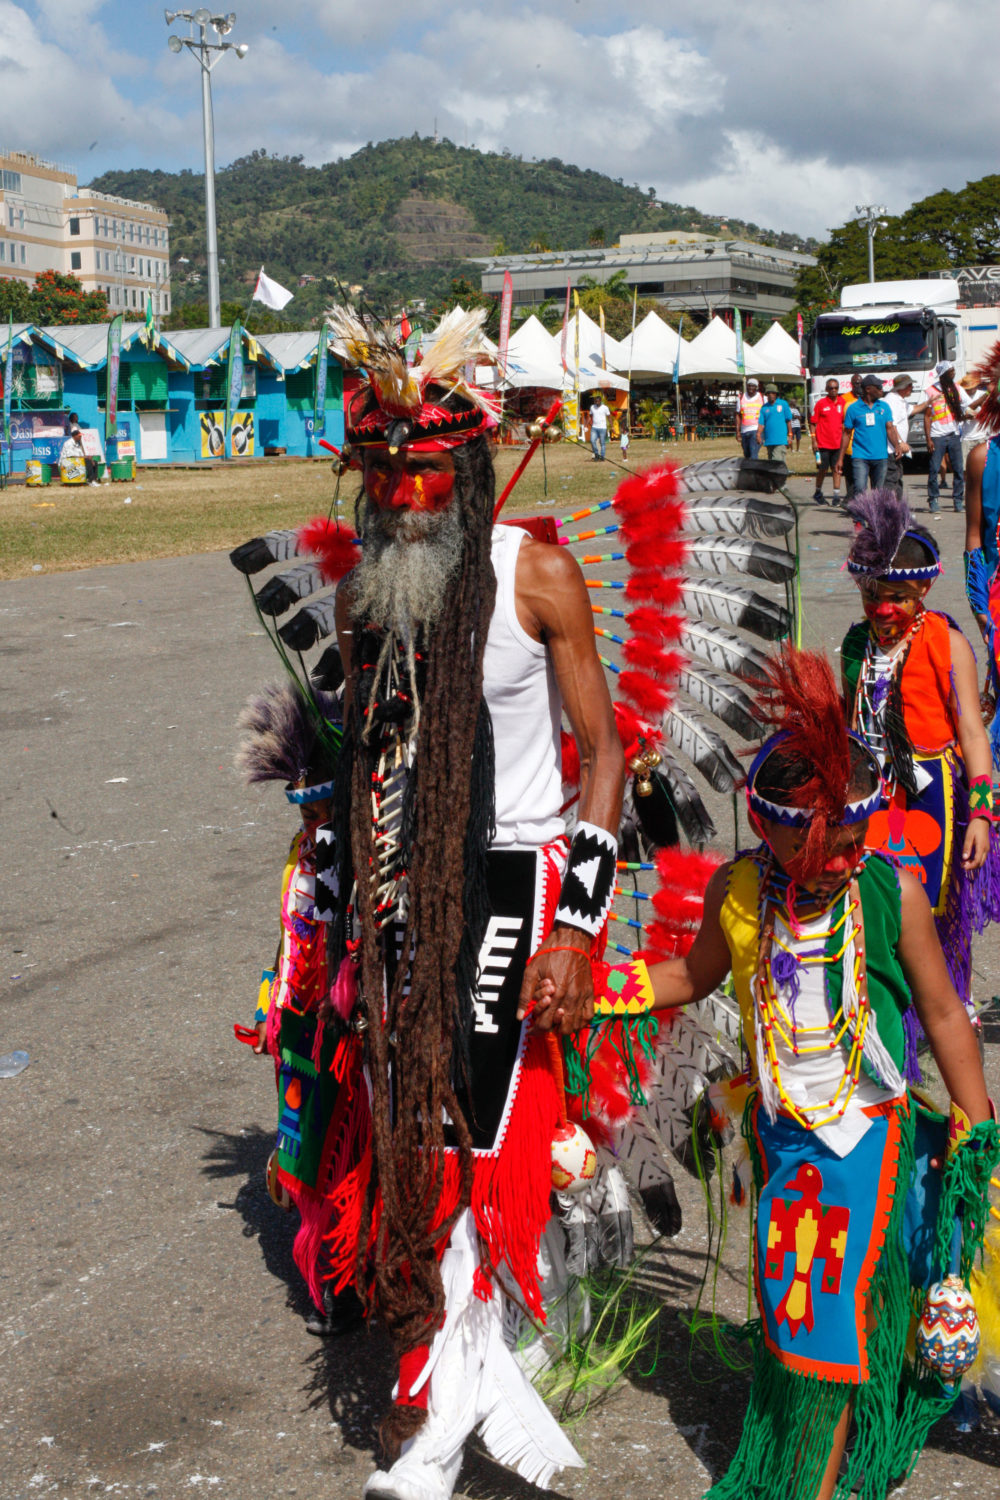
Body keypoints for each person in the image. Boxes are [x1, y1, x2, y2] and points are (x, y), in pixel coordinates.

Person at [535, 647, 999, 1500]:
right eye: (819, 845)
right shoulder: (738, 893)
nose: (837, 862)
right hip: (784, 1142)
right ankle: (825, 1448)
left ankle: (814, 1486)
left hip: (869, 1141)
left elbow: (941, 1014)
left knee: (829, 1316)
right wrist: (600, 987)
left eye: (851, 843)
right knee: (797, 1315)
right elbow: (691, 976)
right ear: (772, 828)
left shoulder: (888, 895)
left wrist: (978, 1132)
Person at [321, 306, 625, 1500]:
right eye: (384, 476)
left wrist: (575, 928)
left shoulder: (534, 576)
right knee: (407, 1121)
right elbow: (365, 760)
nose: (402, 497)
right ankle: (438, 1365)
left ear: (470, 471)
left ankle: (454, 1389)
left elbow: (602, 752)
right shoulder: (366, 595)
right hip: (403, 885)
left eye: (424, 474)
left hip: (515, 877)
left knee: (483, 1136)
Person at [840, 489, 999, 1043]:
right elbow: (848, 721)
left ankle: (954, 998)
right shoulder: (856, 644)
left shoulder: (946, 641)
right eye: (872, 594)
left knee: (939, 900)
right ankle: (888, 999)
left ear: (924, 589)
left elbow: (974, 734)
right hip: (873, 793)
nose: (882, 608)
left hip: (935, 795)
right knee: (877, 896)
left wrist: (981, 813)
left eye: (897, 597)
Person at [925, 359, 978, 514]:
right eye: (951, 371)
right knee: (934, 469)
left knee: (958, 470)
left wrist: (976, 408)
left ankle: (957, 501)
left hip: (954, 434)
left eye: (953, 370)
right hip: (937, 436)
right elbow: (927, 416)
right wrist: (928, 439)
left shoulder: (957, 389)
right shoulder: (931, 391)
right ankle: (933, 500)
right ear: (943, 374)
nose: (954, 373)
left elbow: (968, 405)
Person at [836, 374, 902, 496]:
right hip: (860, 456)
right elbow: (846, 434)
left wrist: (897, 446)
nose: (882, 389)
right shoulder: (853, 408)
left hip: (881, 456)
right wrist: (840, 458)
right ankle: (860, 514)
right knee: (860, 489)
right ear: (868, 389)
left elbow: (890, 428)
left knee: (878, 492)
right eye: (878, 387)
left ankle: (875, 515)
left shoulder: (884, 406)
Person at [881, 373, 923, 497]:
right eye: (910, 385)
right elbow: (891, 425)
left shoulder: (901, 400)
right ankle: (889, 509)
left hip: (896, 448)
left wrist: (928, 402)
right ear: (903, 387)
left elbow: (913, 409)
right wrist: (900, 443)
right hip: (891, 449)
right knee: (891, 480)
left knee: (897, 478)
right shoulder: (892, 400)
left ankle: (897, 508)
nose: (912, 388)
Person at [808, 377, 845, 505]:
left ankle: (836, 496)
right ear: (826, 389)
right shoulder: (821, 404)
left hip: (837, 443)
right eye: (831, 388)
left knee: (837, 469)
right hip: (822, 444)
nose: (833, 390)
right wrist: (814, 440)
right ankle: (818, 492)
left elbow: (845, 422)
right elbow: (812, 423)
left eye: (836, 388)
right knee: (823, 469)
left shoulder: (842, 402)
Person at [755, 383, 793, 461]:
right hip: (769, 440)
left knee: (777, 461)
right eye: (768, 393)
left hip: (780, 440)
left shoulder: (783, 404)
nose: (771, 395)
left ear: (776, 394)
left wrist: (790, 435)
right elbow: (761, 423)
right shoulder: (764, 408)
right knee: (772, 463)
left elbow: (788, 421)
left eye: (773, 393)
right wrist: (758, 434)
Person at [736, 376, 764, 459]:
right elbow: (738, 415)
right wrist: (737, 431)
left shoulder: (762, 397)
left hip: (756, 430)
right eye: (749, 385)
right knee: (747, 454)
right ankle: (750, 470)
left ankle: (754, 471)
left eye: (753, 386)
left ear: (756, 387)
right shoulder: (741, 398)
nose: (751, 388)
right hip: (744, 430)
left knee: (753, 453)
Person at [589, 395, 610, 460]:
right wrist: (587, 424)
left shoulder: (605, 408)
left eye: (597, 401)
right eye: (595, 401)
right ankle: (596, 454)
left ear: (600, 401)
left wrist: (612, 426)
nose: (596, 403)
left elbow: (609, 417)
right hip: (594, 427)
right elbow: (590, 416)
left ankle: (602, 456)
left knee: (602, 443)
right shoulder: (592, 407)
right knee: (592, 441)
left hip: (602, 428)